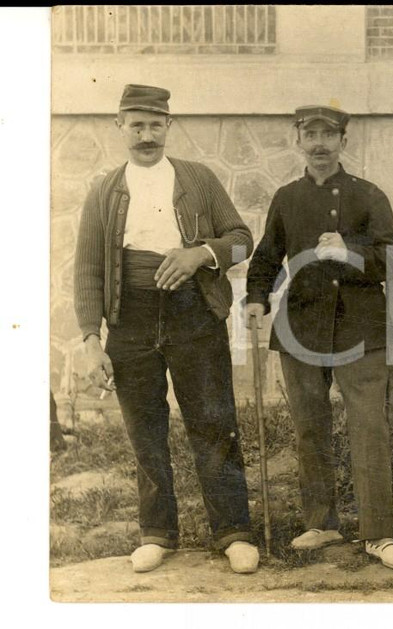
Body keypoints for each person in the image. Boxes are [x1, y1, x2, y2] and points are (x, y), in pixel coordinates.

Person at [74, 84, 259, 574]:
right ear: (119, 127)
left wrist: (200, 253)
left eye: (156, 124)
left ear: (169, 127)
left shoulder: (197, 179)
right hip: (128, 318)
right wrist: (92, 340)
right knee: (144, 430)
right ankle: (157, 533)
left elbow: (243, 241)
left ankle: (233, 532)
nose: (147, 134)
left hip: (193, 313)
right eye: (136, 124)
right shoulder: (104, 190)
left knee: (214, 422)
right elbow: (88, 269)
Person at [245, 104, 393, 571]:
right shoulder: (286, 197)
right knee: (309, 426)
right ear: (297, 139)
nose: (319, 143)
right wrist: (256, 297)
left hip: (361, 327)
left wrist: (350, 252)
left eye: (329, 134)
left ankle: (378, 532)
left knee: (369, 428)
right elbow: (266, 256)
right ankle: (321, 521)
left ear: (344, 140)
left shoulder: (368, 194)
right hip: (300, 327)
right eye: (310, 134)